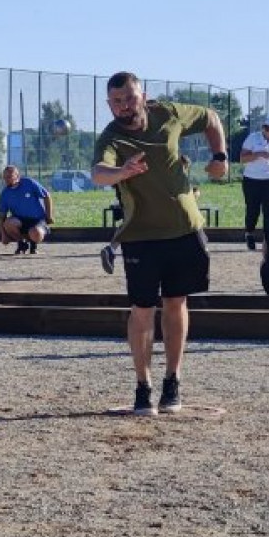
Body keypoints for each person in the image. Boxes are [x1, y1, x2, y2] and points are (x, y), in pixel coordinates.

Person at [90, 71, 227, 416]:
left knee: (176, 303)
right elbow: (98, 172)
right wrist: (121, 172)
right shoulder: (112, 137)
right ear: (109, 104)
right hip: (141, 235)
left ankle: (172, 381)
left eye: (130, 98)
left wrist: (220, 157)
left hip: (184, 228)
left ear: (143, 95)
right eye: (117, 102)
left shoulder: (168, 113)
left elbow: (211, 118)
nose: (124, 106)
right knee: (142, 309)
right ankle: (143, 386)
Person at [238, 115, 269, 251]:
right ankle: (249, 234)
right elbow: (242, 158)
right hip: (252, 179)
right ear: (267, 128)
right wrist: (258, 154)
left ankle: (268, 239)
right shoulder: (253, 138)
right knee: (253, 209)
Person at [0, 165, 54, 255]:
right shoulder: (5, 193)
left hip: (37, 220)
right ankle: (21, 244)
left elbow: (46, 196)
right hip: (19, 220)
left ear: (17, 176)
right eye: (5, 177)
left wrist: (49, 216)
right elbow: (2, 216)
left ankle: (33, 246)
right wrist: (3, 235)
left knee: (36, 233)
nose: (6, 179)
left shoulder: (29, 183)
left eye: (9, 177)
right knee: (8, 223)